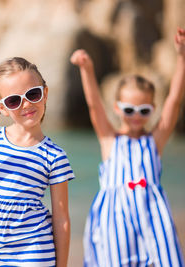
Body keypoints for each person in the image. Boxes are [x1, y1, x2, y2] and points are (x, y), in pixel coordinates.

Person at [70, 27, 185, 267]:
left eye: (144, 111)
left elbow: (174, 102)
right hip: (115, 221)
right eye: (129, 110)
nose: (136, 116)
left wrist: (182, 57)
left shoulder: (154, 141)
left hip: (152, 217)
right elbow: (94, 105)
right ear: (117, 108)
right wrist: (87, 69)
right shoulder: (109, 140)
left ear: (153, 109)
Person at [0, 57, 75, 266]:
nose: (27, 104)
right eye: (14, 100)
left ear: (45, 94)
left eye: (33, 94)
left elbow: (61, 219)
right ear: (1, 108)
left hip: (34, 251)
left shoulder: (54, 155)